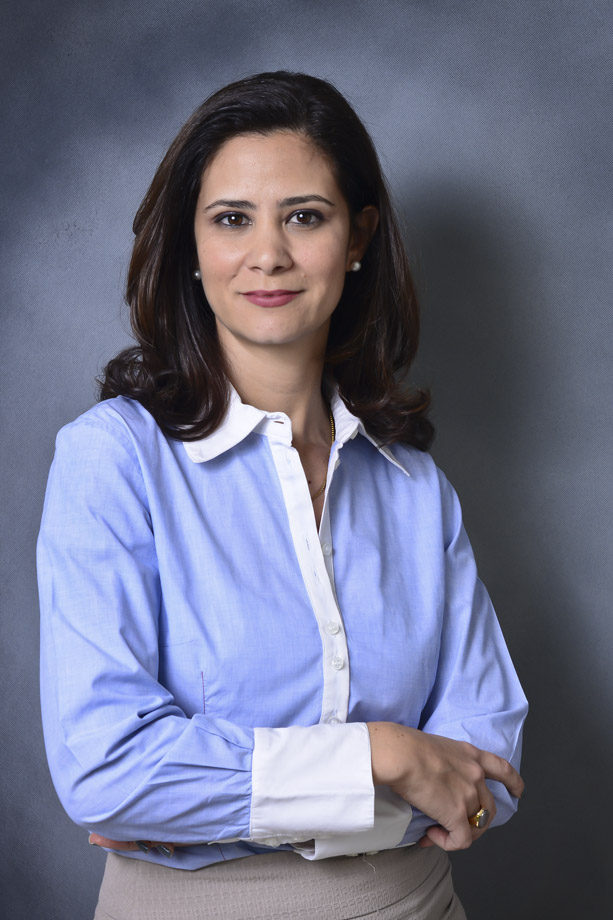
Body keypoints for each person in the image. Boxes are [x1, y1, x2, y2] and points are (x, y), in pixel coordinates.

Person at [38, 71, 527, 920]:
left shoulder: (415, 487)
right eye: (232, 219)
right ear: (190, 246)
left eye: (304, 216)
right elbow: (108, 770)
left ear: (357, 237)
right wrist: (381, 755)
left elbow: (487, 773)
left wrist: (213, 804)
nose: (267, 254)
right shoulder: (111, 460)